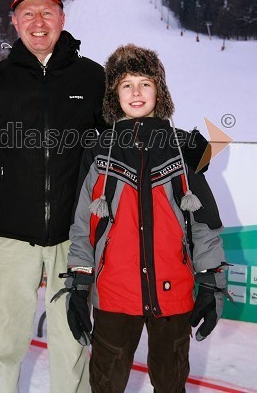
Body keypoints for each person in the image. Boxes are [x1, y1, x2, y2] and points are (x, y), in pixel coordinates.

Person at [0, 0, 106, 393]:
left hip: (73, 239)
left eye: (46, 12)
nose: (38, 22)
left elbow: (122, 144)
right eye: (28, 14)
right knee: (4, 341)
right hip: (9, 239)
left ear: (62, 18)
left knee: (72, 340)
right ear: (15, 22)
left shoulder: (92, 77)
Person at [64, 44, 230, 393]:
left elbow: (204, 224)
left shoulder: (183, 148)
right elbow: (83, 227)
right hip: (113, 296)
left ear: (160, 90)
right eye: (126, 84)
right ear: (114, 94)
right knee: (106, 384)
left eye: (145, 82)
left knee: (171, 384)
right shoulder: (98, 149)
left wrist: (213, 282)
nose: (136, 92)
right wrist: (79, 284)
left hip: (173, 295)